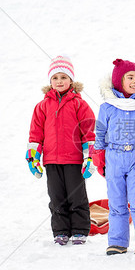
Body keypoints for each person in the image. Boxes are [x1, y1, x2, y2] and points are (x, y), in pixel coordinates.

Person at [92, 59, 135, 256]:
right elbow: (100, 133)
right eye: (130, 77)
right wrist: (100, 157)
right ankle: (117, 241)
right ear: (118, 81)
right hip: (114, 157)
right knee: (116, 202)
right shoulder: (107, 107)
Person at [26, 55, 96, 246]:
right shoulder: (42, 107)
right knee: (56, 197)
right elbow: (35, 135)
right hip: (51, 160)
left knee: (76, 196)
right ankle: (61, 231)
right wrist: (33, 158)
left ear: (71, 80)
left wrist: (90, 158)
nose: (59, 81)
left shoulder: (79, 104)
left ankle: (80, 231)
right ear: (50, 81)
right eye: (55, 78)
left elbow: (89, 134)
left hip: (73, 160)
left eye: (63, 77)